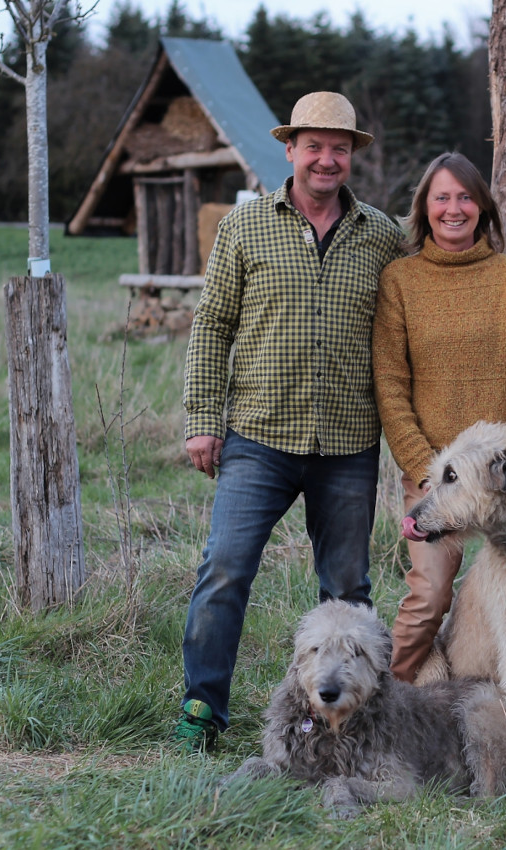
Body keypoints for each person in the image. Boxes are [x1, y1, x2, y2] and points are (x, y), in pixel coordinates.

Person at [172, 92, 404, 752]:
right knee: (225, 570)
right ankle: (203, 710)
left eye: (339, 148)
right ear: (290, 150)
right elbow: (212, 325)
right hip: (258, 438)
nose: (326, 158)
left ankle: (354, 726)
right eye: (313, 146)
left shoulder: (382, 236)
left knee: (348, 591)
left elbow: (410, 321)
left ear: (351, 155)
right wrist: (202, 418)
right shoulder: (244, 230)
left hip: (349, 444)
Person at [372, 151, 506, 683]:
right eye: (442, 197)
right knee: (430, 597)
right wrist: (425, 467)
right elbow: (390, 383)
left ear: (482, 206)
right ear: (424, 208)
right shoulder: (400, 281)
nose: (454, 209)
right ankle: (394, 700)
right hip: (435, 476)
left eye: (464, 197)